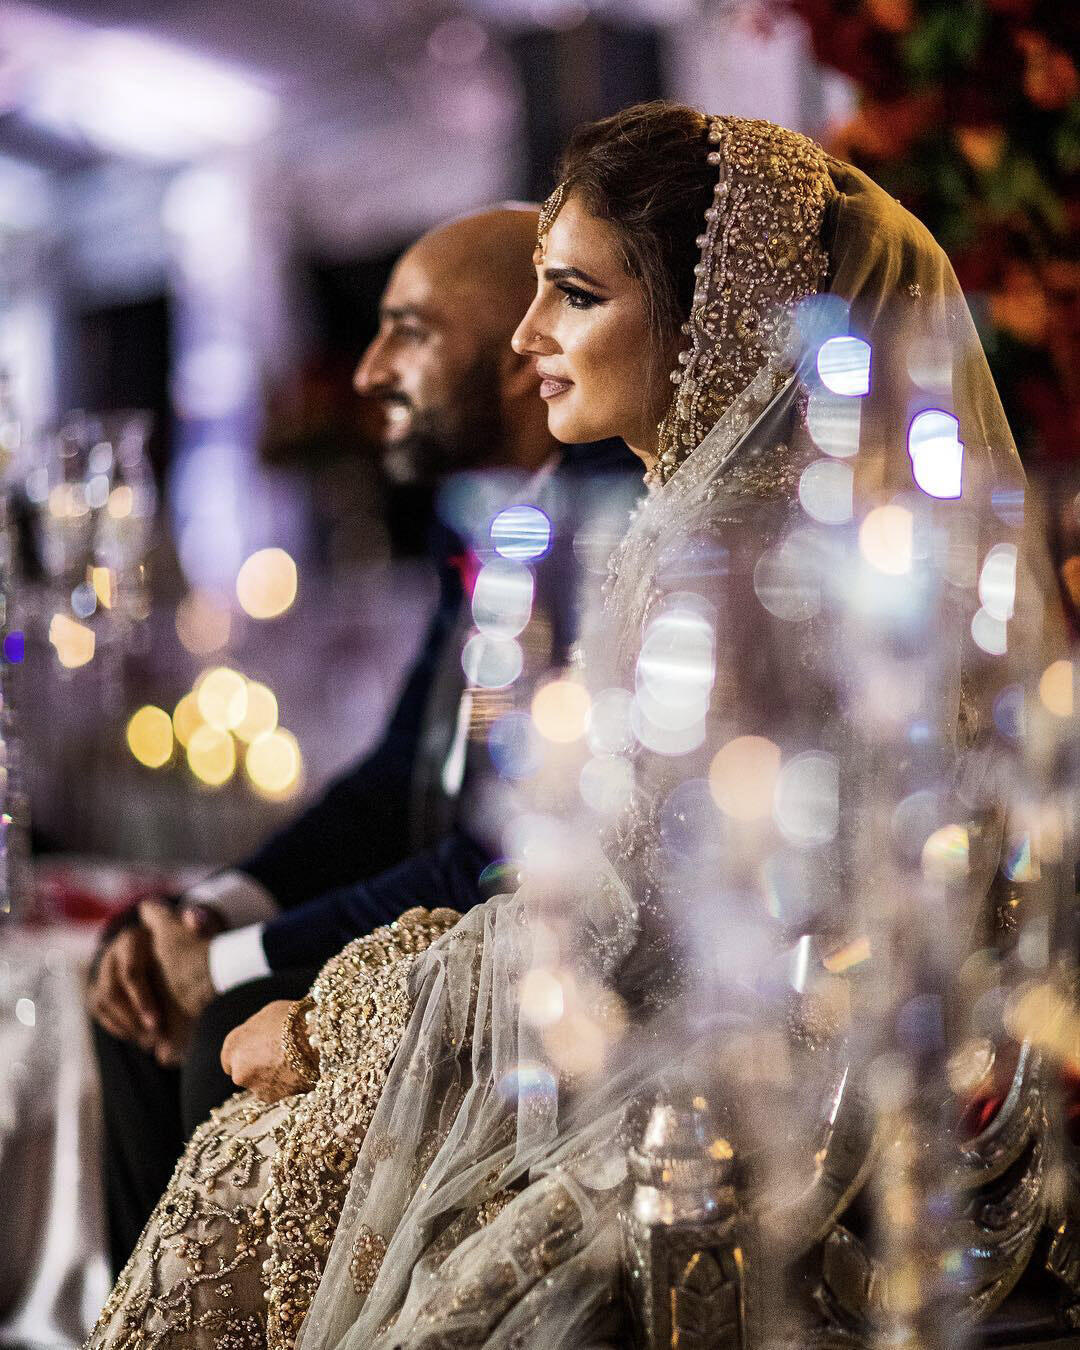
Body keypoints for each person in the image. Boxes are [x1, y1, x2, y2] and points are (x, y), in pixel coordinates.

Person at [87, 103, 1047, 1350]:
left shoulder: (745, 567)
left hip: (743, 1101)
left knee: (276, 1171)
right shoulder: (680, 528)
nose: (533, 338)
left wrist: (337, 1015)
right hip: (622, 1034)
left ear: (713, 325)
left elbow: (634, 920)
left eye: (576, 295)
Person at [87, 204, 639, 1275]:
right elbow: (395, 783)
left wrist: (232, 964)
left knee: (219, 1025)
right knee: (129, 988)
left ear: (526, 354)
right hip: (438, 923)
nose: (369, 369)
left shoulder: (604, 552)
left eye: (414, 330)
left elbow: (499, 850)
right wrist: (208, 911)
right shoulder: (486, 532)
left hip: (531, 964)